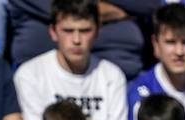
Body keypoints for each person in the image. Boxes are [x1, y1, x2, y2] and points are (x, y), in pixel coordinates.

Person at [13, 0, 129, 120]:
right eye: (68, 31)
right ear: (53, 31)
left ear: (98, 31)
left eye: (85, 31)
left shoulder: (112, 76)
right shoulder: (30, 74)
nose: (76, 40)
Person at [8, 0, 153, 80]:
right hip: (45, 76)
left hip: (124, 73)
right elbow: (61, 9)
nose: (76, 39)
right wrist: (115, 11)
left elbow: (147, 4)